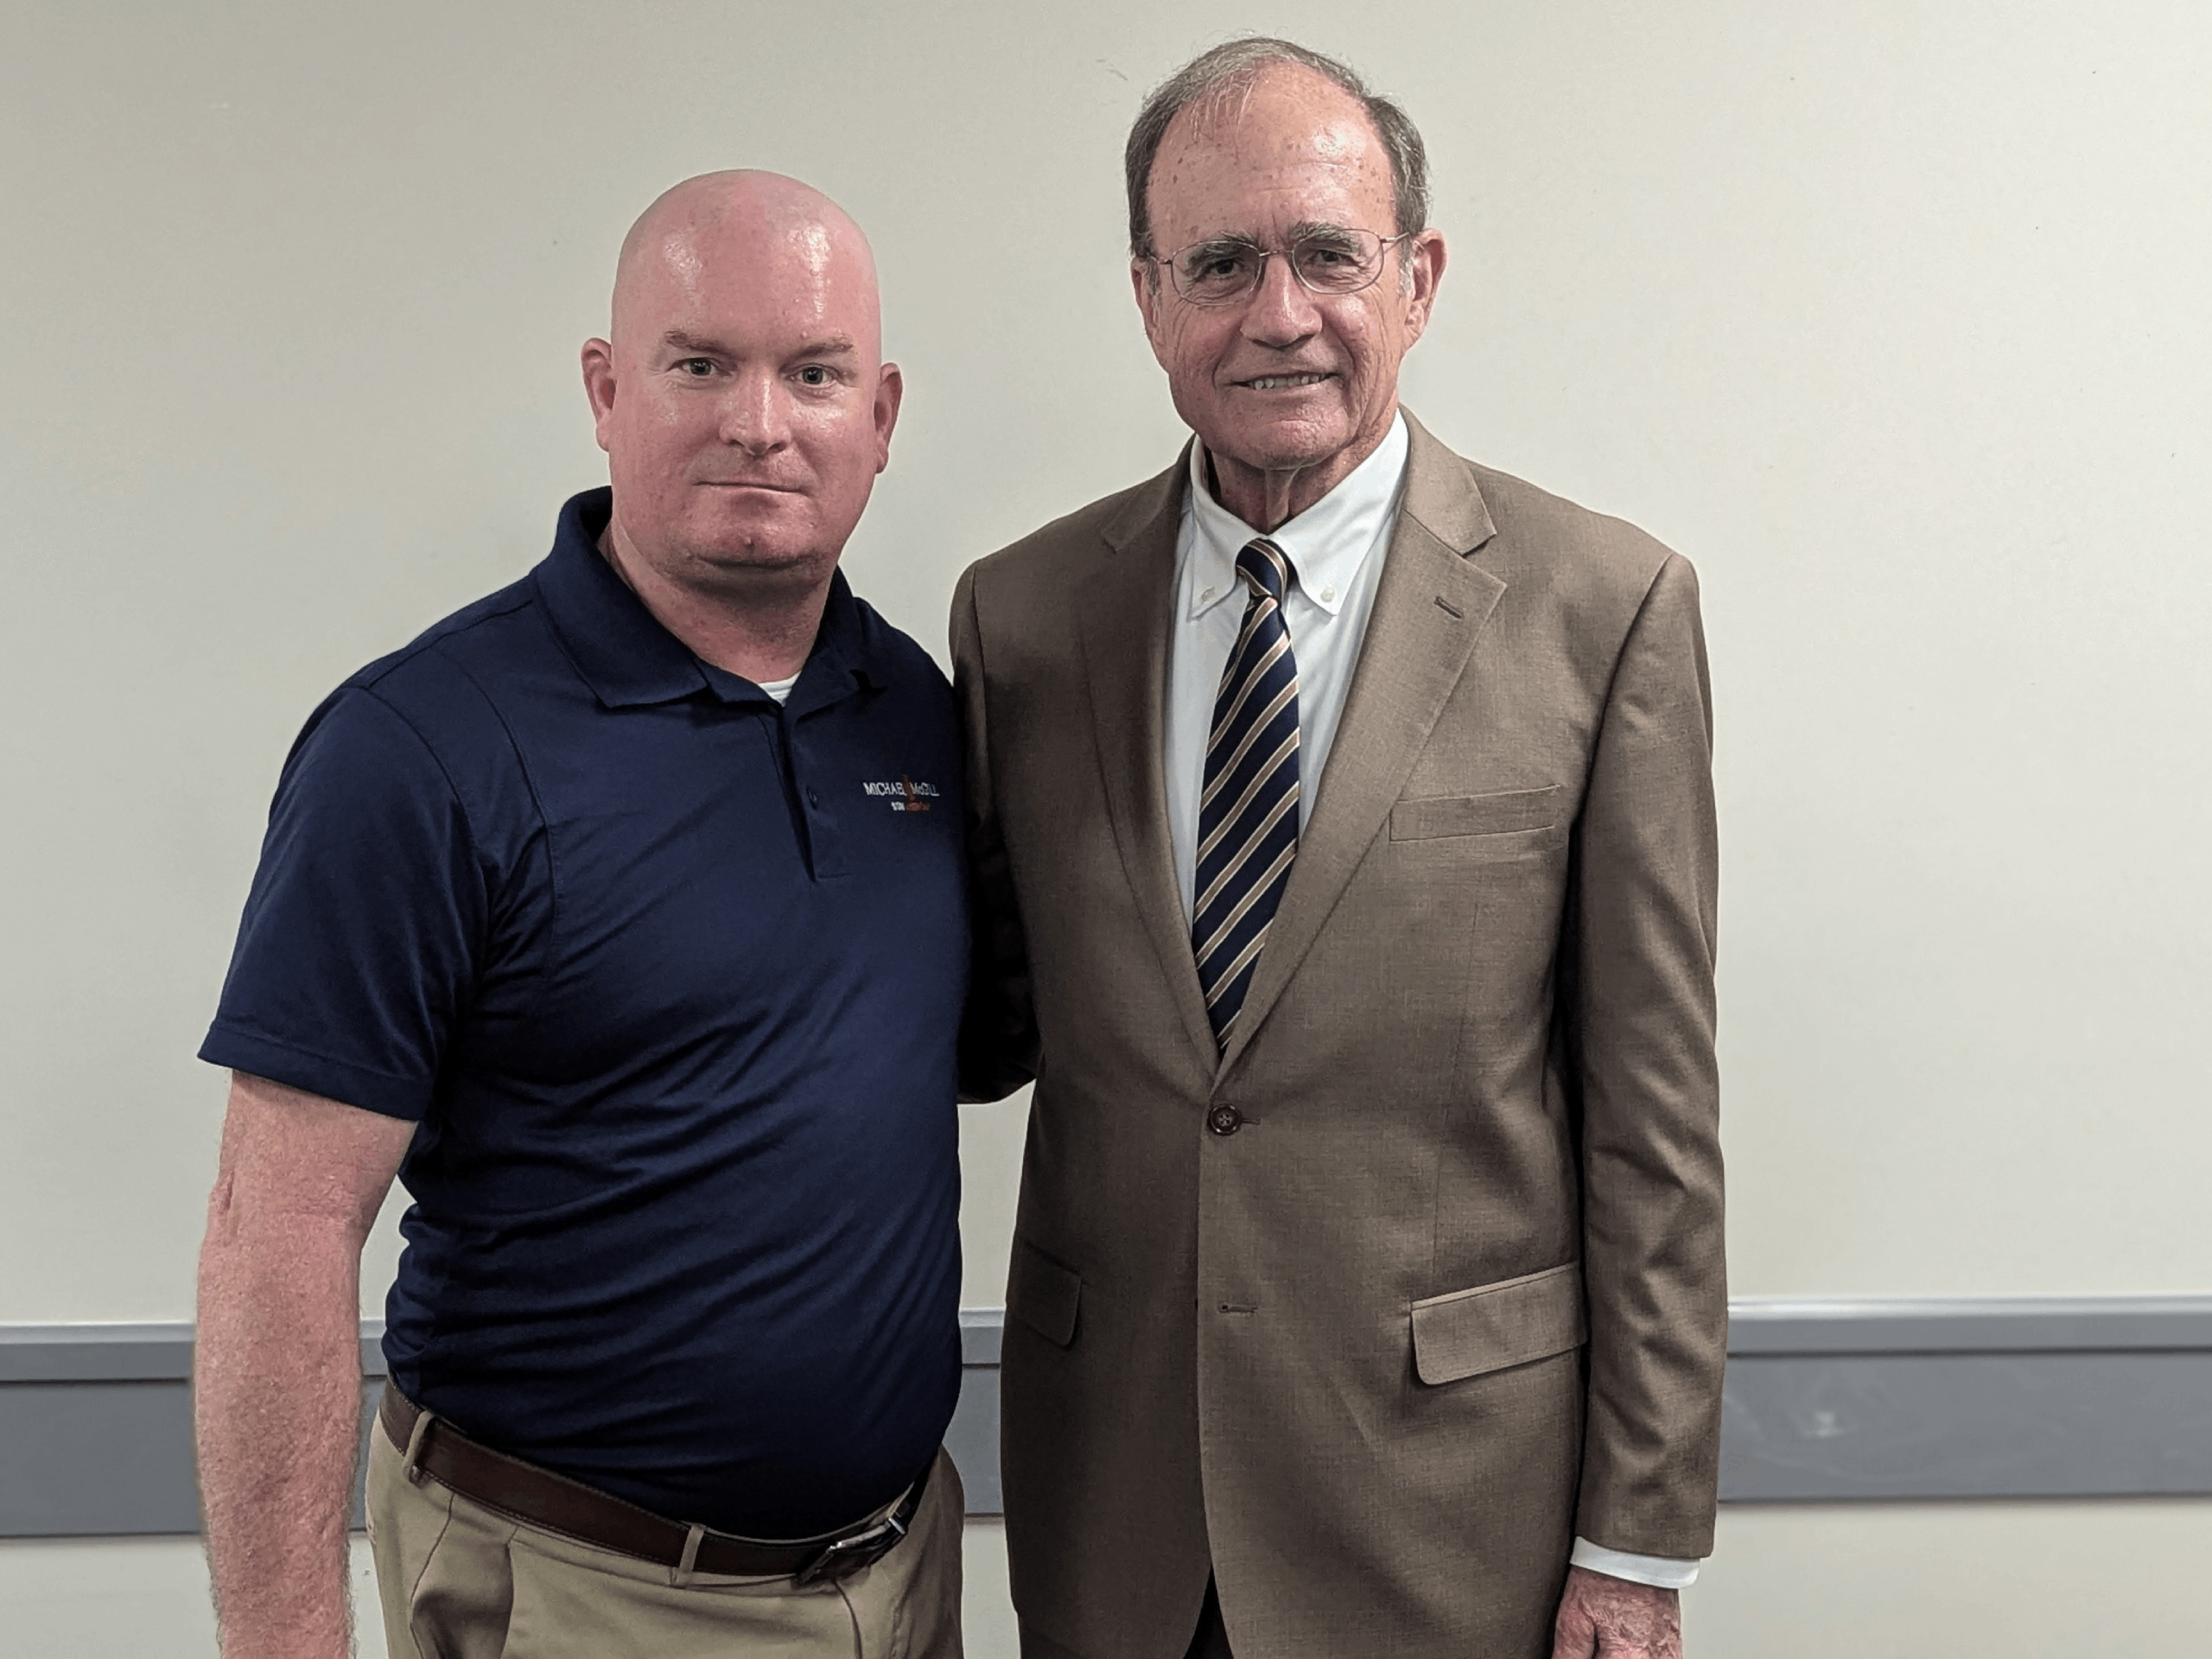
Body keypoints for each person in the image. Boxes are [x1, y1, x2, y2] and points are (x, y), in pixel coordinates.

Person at [953, 39, 1723, 1659]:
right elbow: (977, 1017)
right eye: (1221, 263)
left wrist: (1636, 1549)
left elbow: (1654, 1128)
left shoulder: (1604, 612)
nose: (1277, 312)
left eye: (1328, 254)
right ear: (1151, 298)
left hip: (1456, 1522)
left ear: (1419, 277)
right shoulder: (1019, 621)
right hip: (1118, 1516)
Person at [194, 171, 969, 1659]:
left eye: (812, 373)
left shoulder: (917, 717)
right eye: (701, 364)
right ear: (608, 393)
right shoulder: (422, 750)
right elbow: (278, 1232)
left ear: (878, 416)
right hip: (574, 1594)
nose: (761, 420)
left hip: (900, 1579)